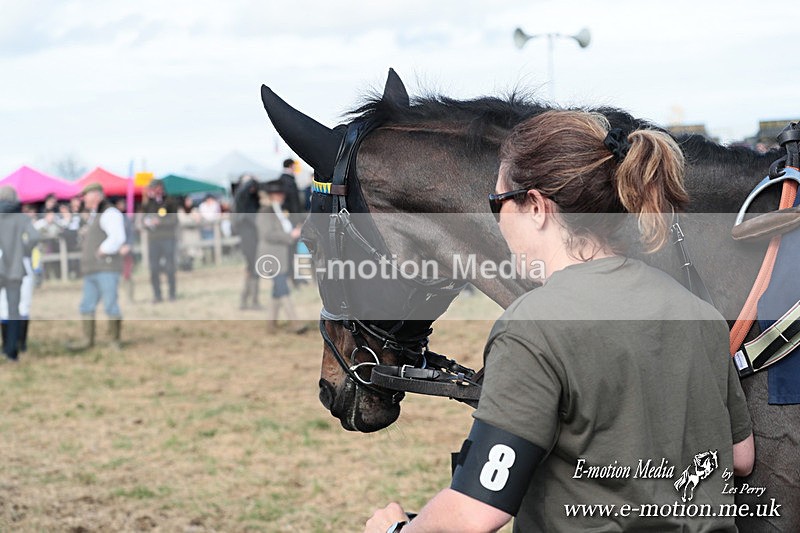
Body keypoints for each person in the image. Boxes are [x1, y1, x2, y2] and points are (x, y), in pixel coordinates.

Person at [364, 111, 755, 532]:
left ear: (535, 206)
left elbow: (478, 509)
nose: (496, 220)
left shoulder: (533, 325)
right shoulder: (698, 311)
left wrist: (395, 530)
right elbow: (740, 456)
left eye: (497, 203)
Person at [67, 182, 126, 351]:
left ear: (95, 195)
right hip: (92, 269)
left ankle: (114, 341)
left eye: (86, 195)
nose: (83, 199)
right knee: (87, 305)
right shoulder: (96, 214)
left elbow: (117, 237)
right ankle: (87, 340)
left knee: (110, 304)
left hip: (106, 268)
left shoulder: (109, 213)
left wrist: (102, 250)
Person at [257, 180, 304, 333]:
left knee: (277, 289)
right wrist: (289, 235)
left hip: (281, 254)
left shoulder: (280, 210)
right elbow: (268, 234)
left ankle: (271, 325)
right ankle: (295, 323)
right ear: (271, 195)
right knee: (282, 287)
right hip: (271, 256)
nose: (282, 196)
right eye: (279, 193)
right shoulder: (264, 212)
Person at [0, 186, 39, 361]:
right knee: (14, 310)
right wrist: (23, 250)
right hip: (15, 269)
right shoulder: (21, 218)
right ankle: (11, 351)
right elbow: (34, 236)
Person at [141, 179, 179, 302]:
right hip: (153, 240)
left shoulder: (170, 201)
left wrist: (160, 222)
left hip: (167, 238)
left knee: (169, 268)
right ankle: (157, 295)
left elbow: (174, 220)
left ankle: (172, 294)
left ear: (160, 188)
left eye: (155, 187)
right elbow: (142, 220)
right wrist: (147, 223)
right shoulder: (148, 203)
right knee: (154, 268)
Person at [233, 174, 261, 310]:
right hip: (248, 238)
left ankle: (250, 300)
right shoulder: (241, 199)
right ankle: (248, 300)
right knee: (252, 269)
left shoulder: (252, 201)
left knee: (253, 269)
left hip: (254, 238)